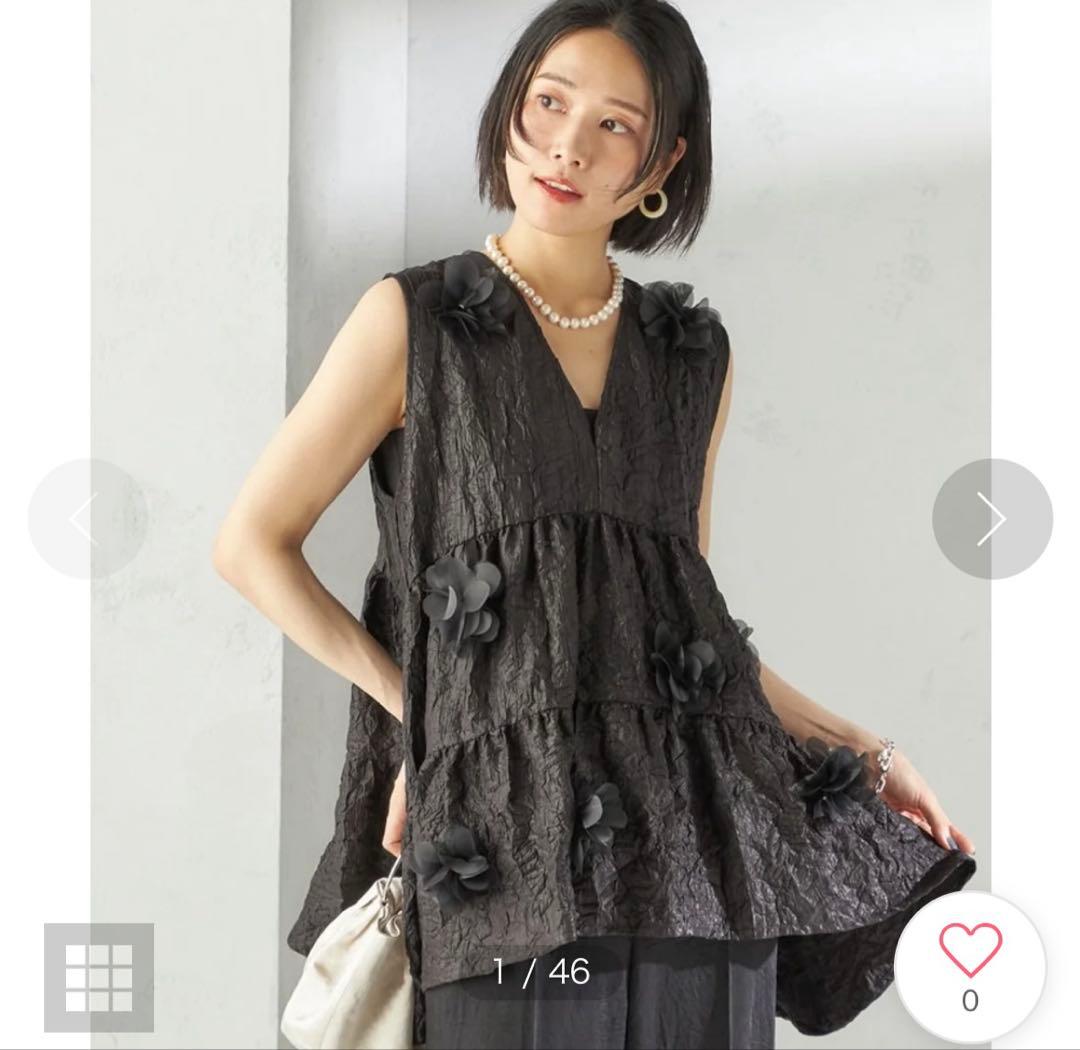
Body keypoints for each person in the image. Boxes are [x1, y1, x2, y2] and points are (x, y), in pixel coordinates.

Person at [214, 2, 977, 1047]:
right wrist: (424, 722)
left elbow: (688, 636)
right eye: (549, 102)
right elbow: (250, 545)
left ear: (661, 162)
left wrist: (864, 749)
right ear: (510, 108)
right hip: (502, 847)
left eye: (615, 125)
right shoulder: (413, 323)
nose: (568, 145)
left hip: (696, 862)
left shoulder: (691, 355)